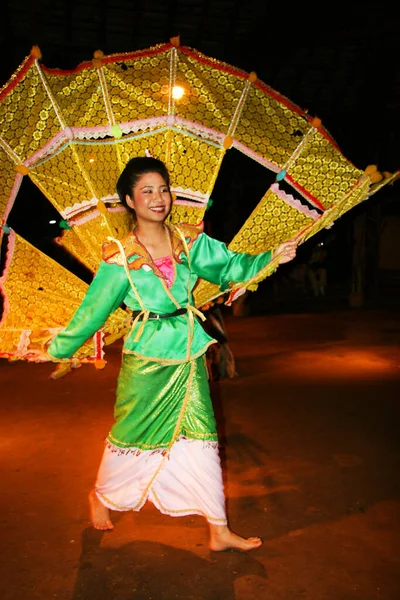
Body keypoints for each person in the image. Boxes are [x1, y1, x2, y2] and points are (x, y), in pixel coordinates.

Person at [35, 157, 297, 552]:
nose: (159, 199)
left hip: (189, 350)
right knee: (130, 436)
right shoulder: (119, 257)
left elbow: (231, 266)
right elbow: (93, 312)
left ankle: (218, 528)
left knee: (202, 436)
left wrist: (272, 257)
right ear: (129, 200)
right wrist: (58, 348)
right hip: (146, 359)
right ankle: (101, 495)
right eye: (147, 191)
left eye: (163, 189)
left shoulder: (190, 241)